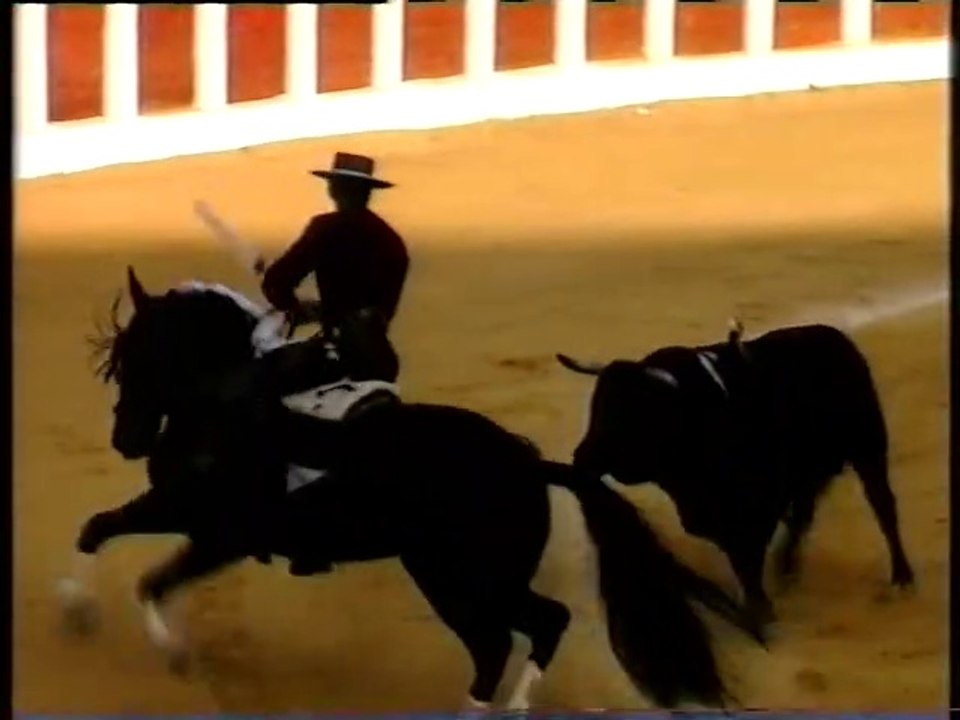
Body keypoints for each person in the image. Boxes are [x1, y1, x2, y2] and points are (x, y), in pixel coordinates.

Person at [258, 151, 409, 390]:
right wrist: (323, 309)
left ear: (334, 189)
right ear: (368, 192)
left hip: (338, 357)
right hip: (379, 358)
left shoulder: (326, 228)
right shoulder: (391, 240)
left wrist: (296, 307)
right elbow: (374, 309)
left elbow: (277, 282)